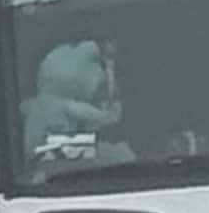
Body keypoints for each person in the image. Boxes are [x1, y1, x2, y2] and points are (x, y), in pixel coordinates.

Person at [10, 35, 127, 169]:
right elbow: (110, 118)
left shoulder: (30, 105)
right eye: (100, 88)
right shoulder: (70, 107)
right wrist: (113, 102)